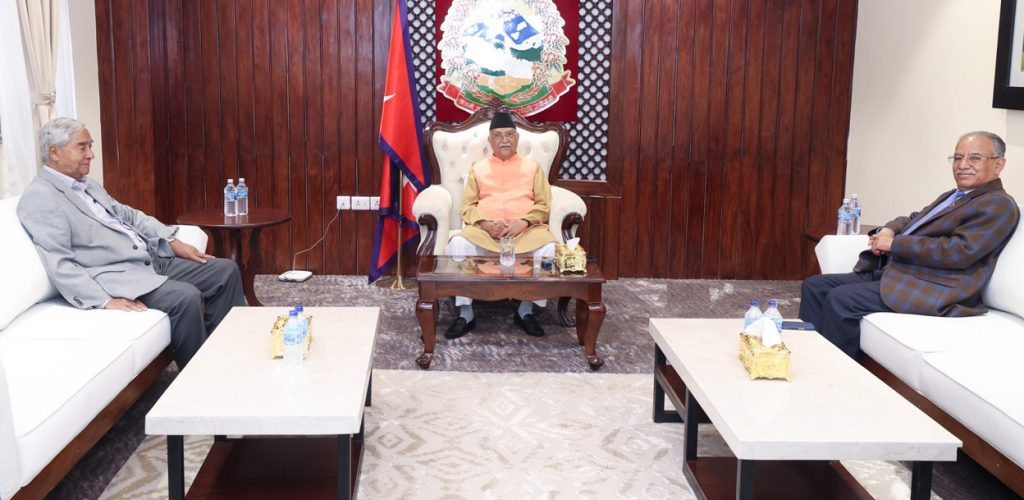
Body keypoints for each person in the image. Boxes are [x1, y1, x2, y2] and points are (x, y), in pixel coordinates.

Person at [17, 117, 245, 368]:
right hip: (119, 275)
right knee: (185, 297)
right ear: (54, 153)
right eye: (82, 147)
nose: (91, 154)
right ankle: (202, 376)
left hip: (148, 259)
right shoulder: (40, 197)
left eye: (90, 146)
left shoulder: (87, 185)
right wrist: (104, 300)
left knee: (224, 271)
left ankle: (227, 356)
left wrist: (171, 240)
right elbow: (59, 262)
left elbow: (129, 216)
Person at [799, 131, 1020, 359]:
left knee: (841, 299)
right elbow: (915, 218)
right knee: (815, 286)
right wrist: (888, 230)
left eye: (975, 158)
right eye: (957, 158)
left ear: (998, 164)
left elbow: (958, 251)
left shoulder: (998, 204)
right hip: (902, 274)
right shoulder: (956, 195)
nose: (963, 165)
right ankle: (810, 361)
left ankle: (837, 372)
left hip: (936, 289)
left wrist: (894, 245)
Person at [443, 111, 557, 339]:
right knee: (458, 244)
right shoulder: (478, 169)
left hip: (525, 232)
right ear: (490, 140)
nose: (504, 140)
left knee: (550, 250)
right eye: (498, 135)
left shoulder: (533, 168)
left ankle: (526, 310)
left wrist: (523, 222)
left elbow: (543, 205)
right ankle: (465, 313)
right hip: (486, 233)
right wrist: (486, 224)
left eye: (509, 135)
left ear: (517, 138)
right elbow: (467, 207)